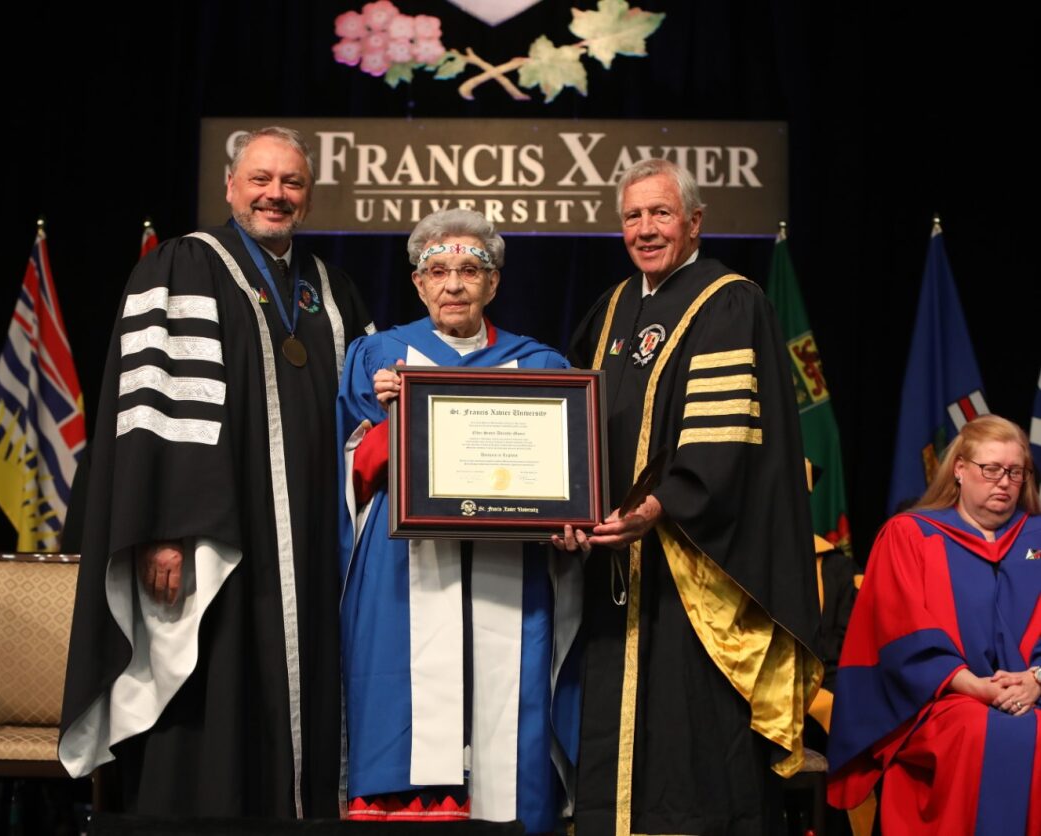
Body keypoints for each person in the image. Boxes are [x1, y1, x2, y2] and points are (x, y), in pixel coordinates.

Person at [59, 126, 373, 817]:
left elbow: (368, 416)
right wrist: (163, 530)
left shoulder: (332, 289)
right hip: (214, 537)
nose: (275, 194)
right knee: (211, 690)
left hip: (315, 544)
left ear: (308, 196)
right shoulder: (184, 266)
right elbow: (156, 412)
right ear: (229, 186)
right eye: (260, 179)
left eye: (291, 182)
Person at [555, 158, 822, 834]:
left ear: (694, 221)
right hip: (612, 559)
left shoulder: (728, 301)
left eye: (661, 213)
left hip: (694, 564)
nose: (645, 229)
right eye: (633, 216)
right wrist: (565, 508)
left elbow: (724, 437)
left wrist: (657, 507)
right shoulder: (612, 308)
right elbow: (570, 423)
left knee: (690, 735)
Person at [337, 209, 580, 830]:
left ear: (492, 284)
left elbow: (570, 480)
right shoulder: (379, 358)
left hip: (512, 569)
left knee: (512, 714)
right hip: (404, 570)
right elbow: (350, 474)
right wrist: (398, 420)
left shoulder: (541, 365)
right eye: (438, 271)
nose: (453, 284)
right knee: (406, 710)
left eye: (470, 270)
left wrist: (570, 522)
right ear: (418, 284)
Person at [828, 415, 1041, 834]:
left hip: (1032, 693)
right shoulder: (910, 535)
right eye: (991, 469)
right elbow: (901, 634)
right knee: (979, 730)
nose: (1004, 482)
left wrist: (1036, 680)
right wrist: (974, 686)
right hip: (939, 699)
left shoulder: (1037, 537)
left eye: (1015, 472)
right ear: (959, 469)